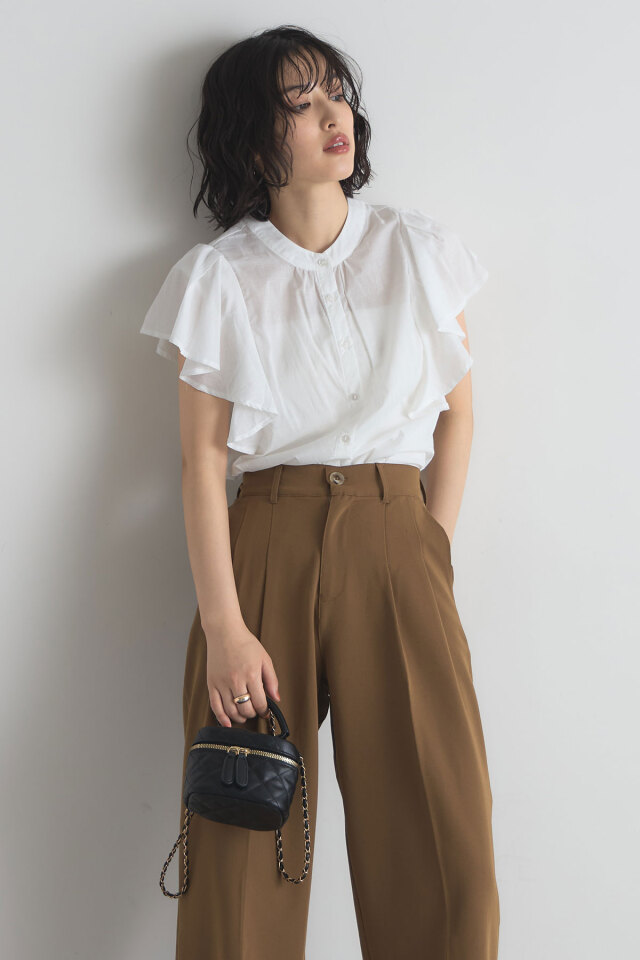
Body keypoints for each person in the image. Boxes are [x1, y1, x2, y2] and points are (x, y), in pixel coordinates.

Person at [140, 23, 500, 960]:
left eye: (335, 92)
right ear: (253, 136)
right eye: (297, 104)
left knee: (441, 842)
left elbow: (458, 416)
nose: (330, 114)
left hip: (398, 536)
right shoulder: (219, 277)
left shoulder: (416, 249)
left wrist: (427, 548)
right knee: (241, 843)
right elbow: (200, 464)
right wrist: (224, 627)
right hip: (266, 544)